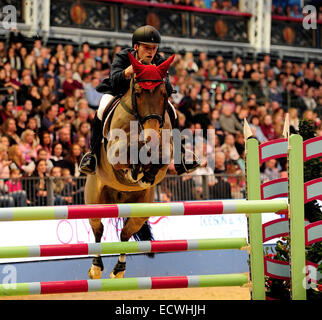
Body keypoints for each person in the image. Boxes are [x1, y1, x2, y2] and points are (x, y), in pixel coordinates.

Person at [79, 25, 200, 176]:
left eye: (154, 48)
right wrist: (126, 72)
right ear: (136, 46)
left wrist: (161, 78)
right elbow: (114, 79)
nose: (151, 52)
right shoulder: (123, 56)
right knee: (102, 108)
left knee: (172, 111)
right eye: (147, 47)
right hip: (120, 92)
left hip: (149, 99)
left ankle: (180, 157)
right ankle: (93, 155)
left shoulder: (158, 60)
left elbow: (167, 89)